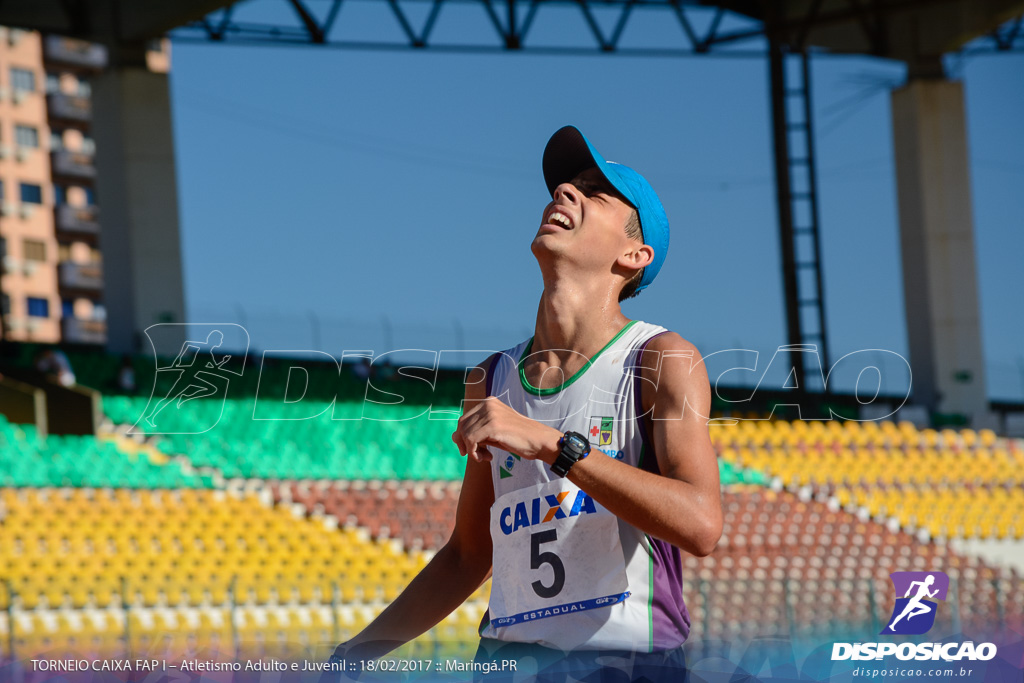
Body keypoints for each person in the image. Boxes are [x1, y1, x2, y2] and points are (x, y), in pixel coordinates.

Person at [329, 126, 722, 680]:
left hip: (625, 662)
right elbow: (468, 555)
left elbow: (702, 524)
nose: (564, 192)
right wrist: (351, 656)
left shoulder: (659, 357)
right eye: (565, 185)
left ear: (635, 253)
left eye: (594, 192)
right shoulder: (491, 379)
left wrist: (553, 446)